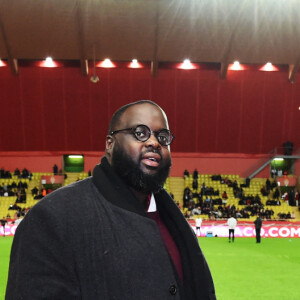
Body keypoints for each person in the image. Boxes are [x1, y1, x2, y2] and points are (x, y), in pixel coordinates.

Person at [6, 100, 216, 300]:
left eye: (163, 137)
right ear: (110, 144)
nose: (154, 142)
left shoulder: (173, 219)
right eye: (140, 133)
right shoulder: (53, 217)